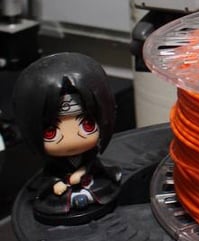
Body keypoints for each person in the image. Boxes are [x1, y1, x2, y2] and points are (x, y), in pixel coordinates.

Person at [13, 52, 121, 225]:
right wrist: (57, 183)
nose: (71, 138)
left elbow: (93, 165)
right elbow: (48, 175)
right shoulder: (54, 163)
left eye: (86, 125)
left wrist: (81, 172)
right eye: (51, 132)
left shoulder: (89, 156)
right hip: (62, 192)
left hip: (89, 183)